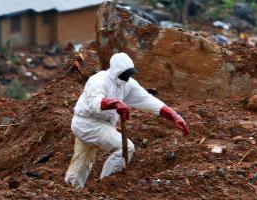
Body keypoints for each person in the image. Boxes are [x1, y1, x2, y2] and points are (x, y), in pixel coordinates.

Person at [65, 52, 189, 188]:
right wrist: (115, 103)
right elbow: (95, 103)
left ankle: (71, 190)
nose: (127, 77)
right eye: (125, 74)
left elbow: (147, 99)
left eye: (129, 74)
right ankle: (106, 186)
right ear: (116, 71)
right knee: (125, 148)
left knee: (82, 160)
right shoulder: (99, 80)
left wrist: (173, 116)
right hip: (88, 123)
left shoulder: (127, 84)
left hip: (102, 125)